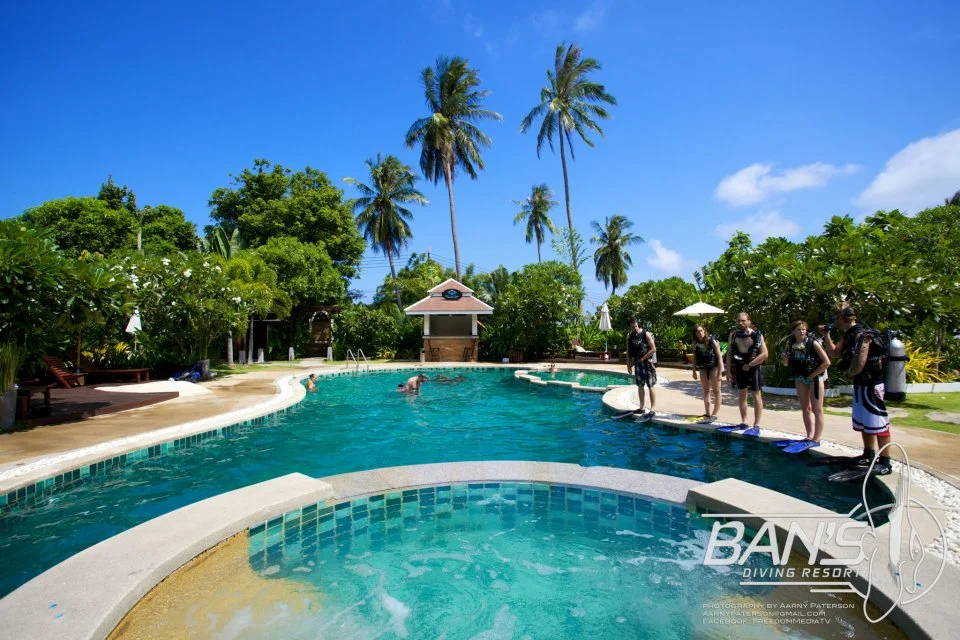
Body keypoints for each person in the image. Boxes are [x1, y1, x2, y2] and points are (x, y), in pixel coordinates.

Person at [820, 303, 893, 475]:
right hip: (861, 385)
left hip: (871, 385)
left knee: (878, 422)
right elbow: (835, 353)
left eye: (835, 318)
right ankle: (868, 454)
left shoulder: (863, 335)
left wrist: (850, 374)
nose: (833, 321)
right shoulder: (849, 334)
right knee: (866, 423)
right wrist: (826, 336)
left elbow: (861, 360)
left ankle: (885, 462)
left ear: (843, 318)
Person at [780, 320, 830, 452]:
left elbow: (826, 362)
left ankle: (816, 439)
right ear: (793, 331)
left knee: (817, 409)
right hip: (800, 377)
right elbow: (786, 364)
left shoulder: (813, 343)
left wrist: (812, 375)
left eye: (803, 329)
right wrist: (785, 357)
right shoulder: (790, 344)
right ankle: (809, 435)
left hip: (815, 378)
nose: (801, 332)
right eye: (798, 329)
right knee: (805, 408)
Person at [723, 312, 768, 436]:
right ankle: (744, 421)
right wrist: (728, 371)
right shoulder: (733, 335)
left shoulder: (756, 335)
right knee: (742, 395)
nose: (740, 323)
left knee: (756, 395)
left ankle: (756, 424)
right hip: (739, 368)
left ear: (749, 321)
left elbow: (765, 354)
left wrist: (751, 364)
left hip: (753, 368)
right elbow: (729, 354)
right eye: (739, 321)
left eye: (743, 320)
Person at [691, 324, 723, 423]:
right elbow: (694, 358)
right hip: (703, 368)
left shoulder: (712, 341)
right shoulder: (695, 343)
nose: (700, 333)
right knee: (706, 391)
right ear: (695, 333)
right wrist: (694, 371)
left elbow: (719, 356)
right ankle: (707, 413)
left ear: (704, 331)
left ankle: (714, 414)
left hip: (714, 367)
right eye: (697, 331)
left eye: (701, 330)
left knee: (716, 391)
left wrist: (720, 372)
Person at [626, 317, 657, 419]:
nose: (634, 328)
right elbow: (629, 352)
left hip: (647, 363)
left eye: (635, 326)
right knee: (640, 385)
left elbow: (653, 349)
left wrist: (643, 358)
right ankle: (641, 408)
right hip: (638, 364)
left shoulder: (646, 334)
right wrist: (628, 365)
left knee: (650, 385)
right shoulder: (630, 337)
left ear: (637, 324)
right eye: (632, 327)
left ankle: (652, 409)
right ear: (630, 327)